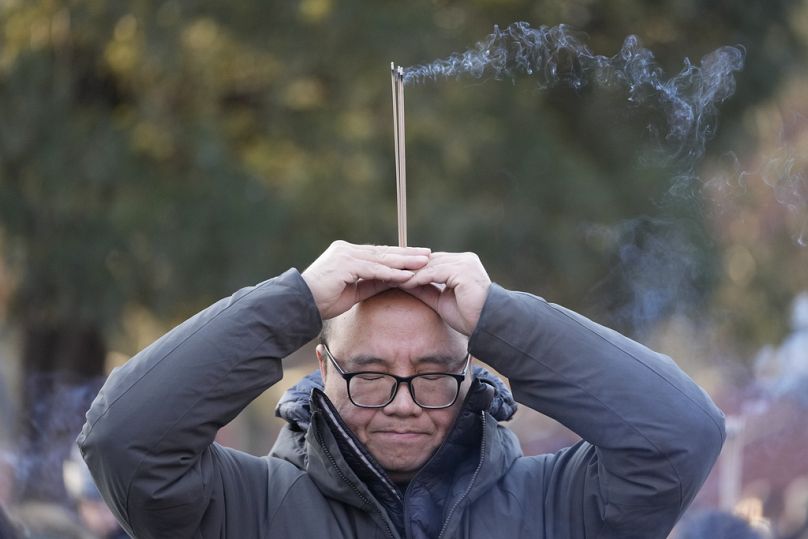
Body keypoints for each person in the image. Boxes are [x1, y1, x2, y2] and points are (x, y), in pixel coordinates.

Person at [78, 241, 725, 538]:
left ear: (472, 370)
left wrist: (499, 315)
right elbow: (123, 438)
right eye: (371, 374)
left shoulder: (560, 507)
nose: (404, 401)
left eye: (433, 373)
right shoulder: (239, 511)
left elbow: (681, 434)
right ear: (324, 366)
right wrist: (295, 301)